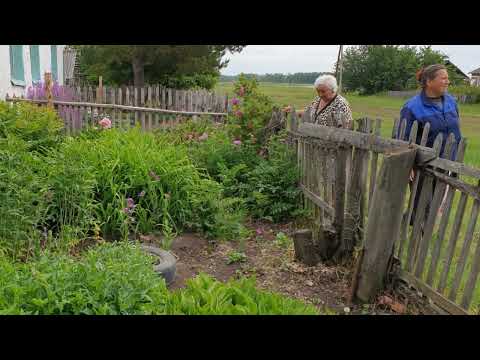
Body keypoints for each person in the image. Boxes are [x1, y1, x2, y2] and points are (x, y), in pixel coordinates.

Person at [399, 64, 462, 226]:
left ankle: (415, 223)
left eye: (448, 78)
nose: (448, 82)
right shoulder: (412, 107)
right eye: (444, 78)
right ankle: (415, 229)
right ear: (428, 82)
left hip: (449, 162)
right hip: (424, 166)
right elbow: (402, 138)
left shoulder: (451, 101)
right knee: (422, 202)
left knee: (438, 202)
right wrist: (408, 165)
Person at [285, 74, 353, 128]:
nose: (320, 94)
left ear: (333, 89)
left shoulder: (341, 104)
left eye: (323, 91)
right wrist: (293, 111)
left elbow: (345, 128)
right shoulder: (318, 99)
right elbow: (309, 112)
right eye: (318, 91)